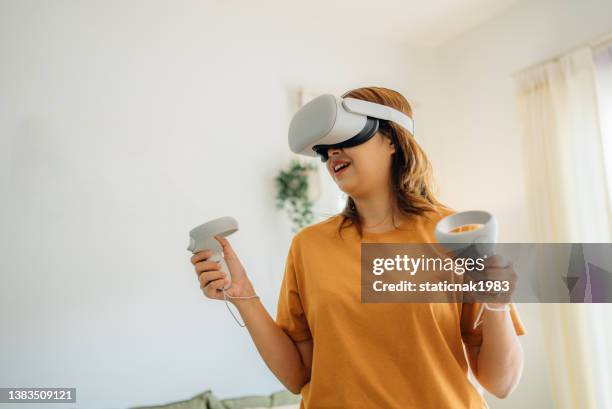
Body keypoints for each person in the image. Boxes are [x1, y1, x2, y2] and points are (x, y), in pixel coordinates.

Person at [190, 86, 526, 409]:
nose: (332, 153)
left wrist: (497, 304)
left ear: (392, 140)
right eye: (324, 150)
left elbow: (502, 383)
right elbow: (297, 376)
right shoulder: (309, 247)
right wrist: (243, 294)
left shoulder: (458, 233)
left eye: (345, 138)